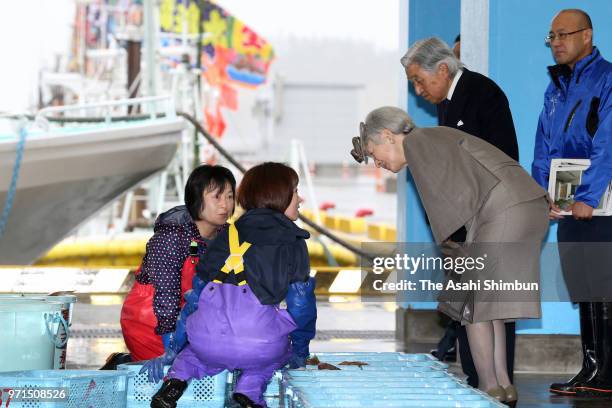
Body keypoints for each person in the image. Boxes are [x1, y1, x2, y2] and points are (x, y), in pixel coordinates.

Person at [350, 106, 548, 405]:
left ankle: (488, 387)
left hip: (505, 211)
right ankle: (503, 386)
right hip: (526, 205)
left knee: (471, 303)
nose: (377, 163)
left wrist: (454, 257)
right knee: (489, 304)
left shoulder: (418, 145)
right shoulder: (434, 137)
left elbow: (447, 207)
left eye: (374, 152)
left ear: (388, 136)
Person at [143, 162, 317, 408]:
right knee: (278, 352)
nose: (301, 199)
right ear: (278, 195)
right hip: (259, 344)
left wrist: (174, 349)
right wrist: (300, 349)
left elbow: (195, 298)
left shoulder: (229, 233)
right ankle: (248, 392)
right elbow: (301, 306)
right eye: (296, 191)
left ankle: (176, 380)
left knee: (195, 352)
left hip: (208, 339)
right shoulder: (293, 240)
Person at [400, 37, 519, 388]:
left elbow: (502, 160)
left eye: (420, 80)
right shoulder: (447, 104)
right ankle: (482, 379)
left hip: (492, 216)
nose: (418, 90)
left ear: (442, 68)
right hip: (464, 219)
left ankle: (496, 382)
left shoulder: (483, 92)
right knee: (470, 307)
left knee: (490, 306)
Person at [532, 9, 612, 397]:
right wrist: (539, 194)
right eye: (551, 36)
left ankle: (607, 372)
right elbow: (544, 145)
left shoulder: (608, 79)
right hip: (565, 204)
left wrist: (588, 196)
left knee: (604, 284)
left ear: (587, 35)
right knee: (582, 285)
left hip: (599, 206)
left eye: (563, 34)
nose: (556, 42)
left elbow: (608, 142)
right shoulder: (556, 86)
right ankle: (592, 367)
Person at [117, 165, 236, 365]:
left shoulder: (229, 237)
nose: (225, 205)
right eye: (216, 197)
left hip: (193, 319)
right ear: (196, 198)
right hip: (151, 322)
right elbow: (166, 292)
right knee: (175, 375)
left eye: (230, 197)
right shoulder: (172, 235)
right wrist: (170, 344)